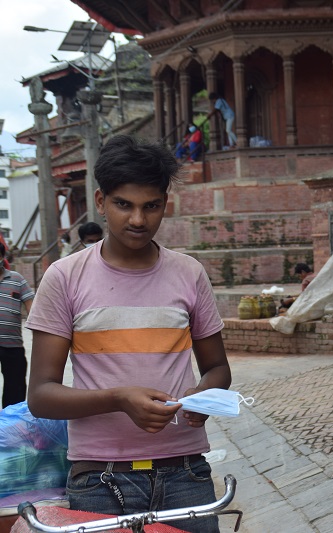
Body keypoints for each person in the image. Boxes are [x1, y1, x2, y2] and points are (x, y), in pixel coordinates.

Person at [26, 135, 232, 533]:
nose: (138, 219)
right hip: (99, 478)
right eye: (124, 205)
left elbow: (218, 367)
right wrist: (120, 398)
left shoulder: (188, 273)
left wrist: (203, 397)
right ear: (101, 202)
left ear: (164, 206)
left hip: (185, 473)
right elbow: (41, 395)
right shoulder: (65, 277)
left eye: (151, 206)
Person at [0, 241, 35, 408]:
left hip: (12, 345)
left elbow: (32, 308)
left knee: (16, 388)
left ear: (2, 257)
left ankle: (11, 425)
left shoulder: (17, 279)